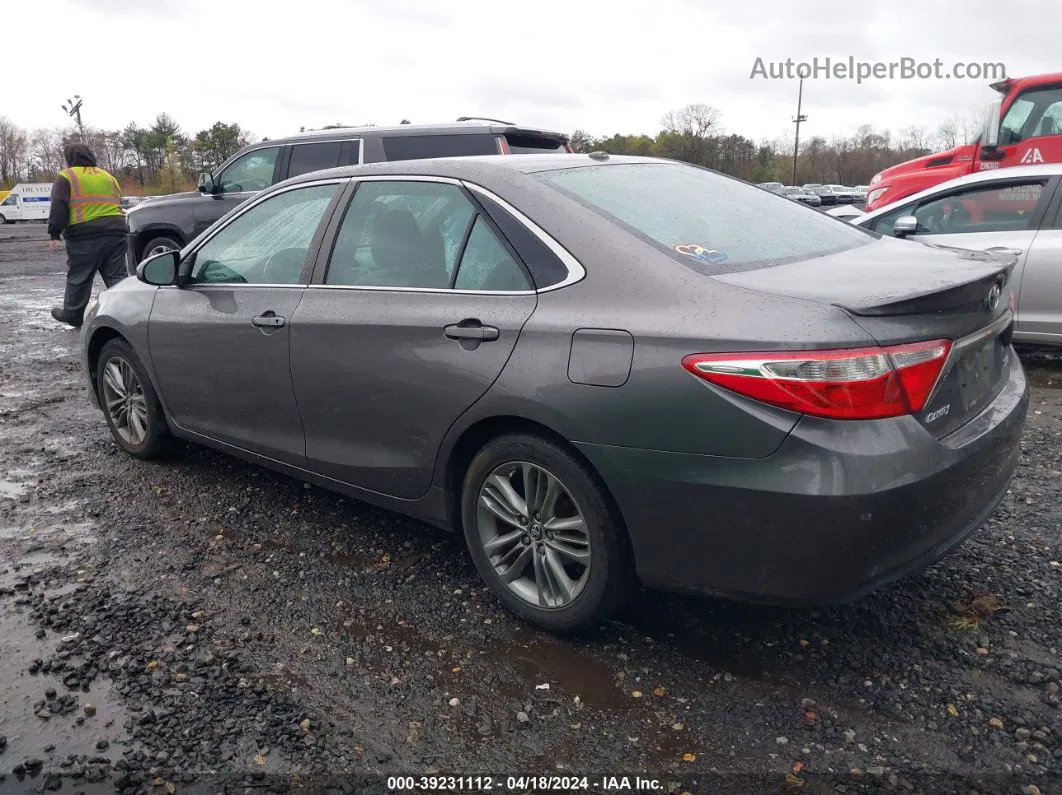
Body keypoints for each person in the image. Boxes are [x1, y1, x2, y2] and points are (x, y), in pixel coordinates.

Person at [47, 142, 128, 328]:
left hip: (85, 234)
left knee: (80, 275)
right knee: (117, 276)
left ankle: (73, 315)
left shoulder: (67, 176)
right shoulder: (107, 176)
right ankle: (127, 311)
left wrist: (54, 233)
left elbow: (59, 205)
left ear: (69, 158)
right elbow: (117, 198)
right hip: (116, 231)